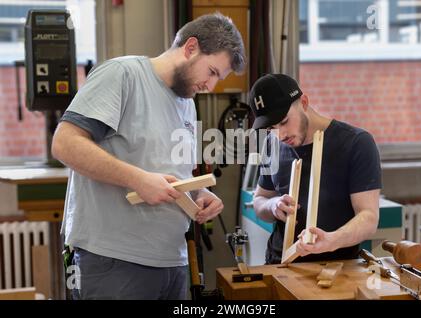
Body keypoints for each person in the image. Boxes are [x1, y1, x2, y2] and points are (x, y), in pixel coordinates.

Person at [51, 13, 246, 299]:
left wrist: (199, 193)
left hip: (172, 262)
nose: (211, 86)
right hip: (114, 263)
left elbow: (177, 173)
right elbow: (65, 144)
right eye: (212, 72)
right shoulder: (122, 75)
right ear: (191, 48)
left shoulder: (186, 104)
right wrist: (138, 180)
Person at [250, 74, 381, 264]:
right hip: (279, 264)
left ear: (304, 102)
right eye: (271, 128)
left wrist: (331, 240)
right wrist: (272, 205)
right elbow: (259, 200)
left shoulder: (356, 143)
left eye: (284, 121)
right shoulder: (272, 144)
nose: (280, 134)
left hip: (335, 267)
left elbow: (369, 218)